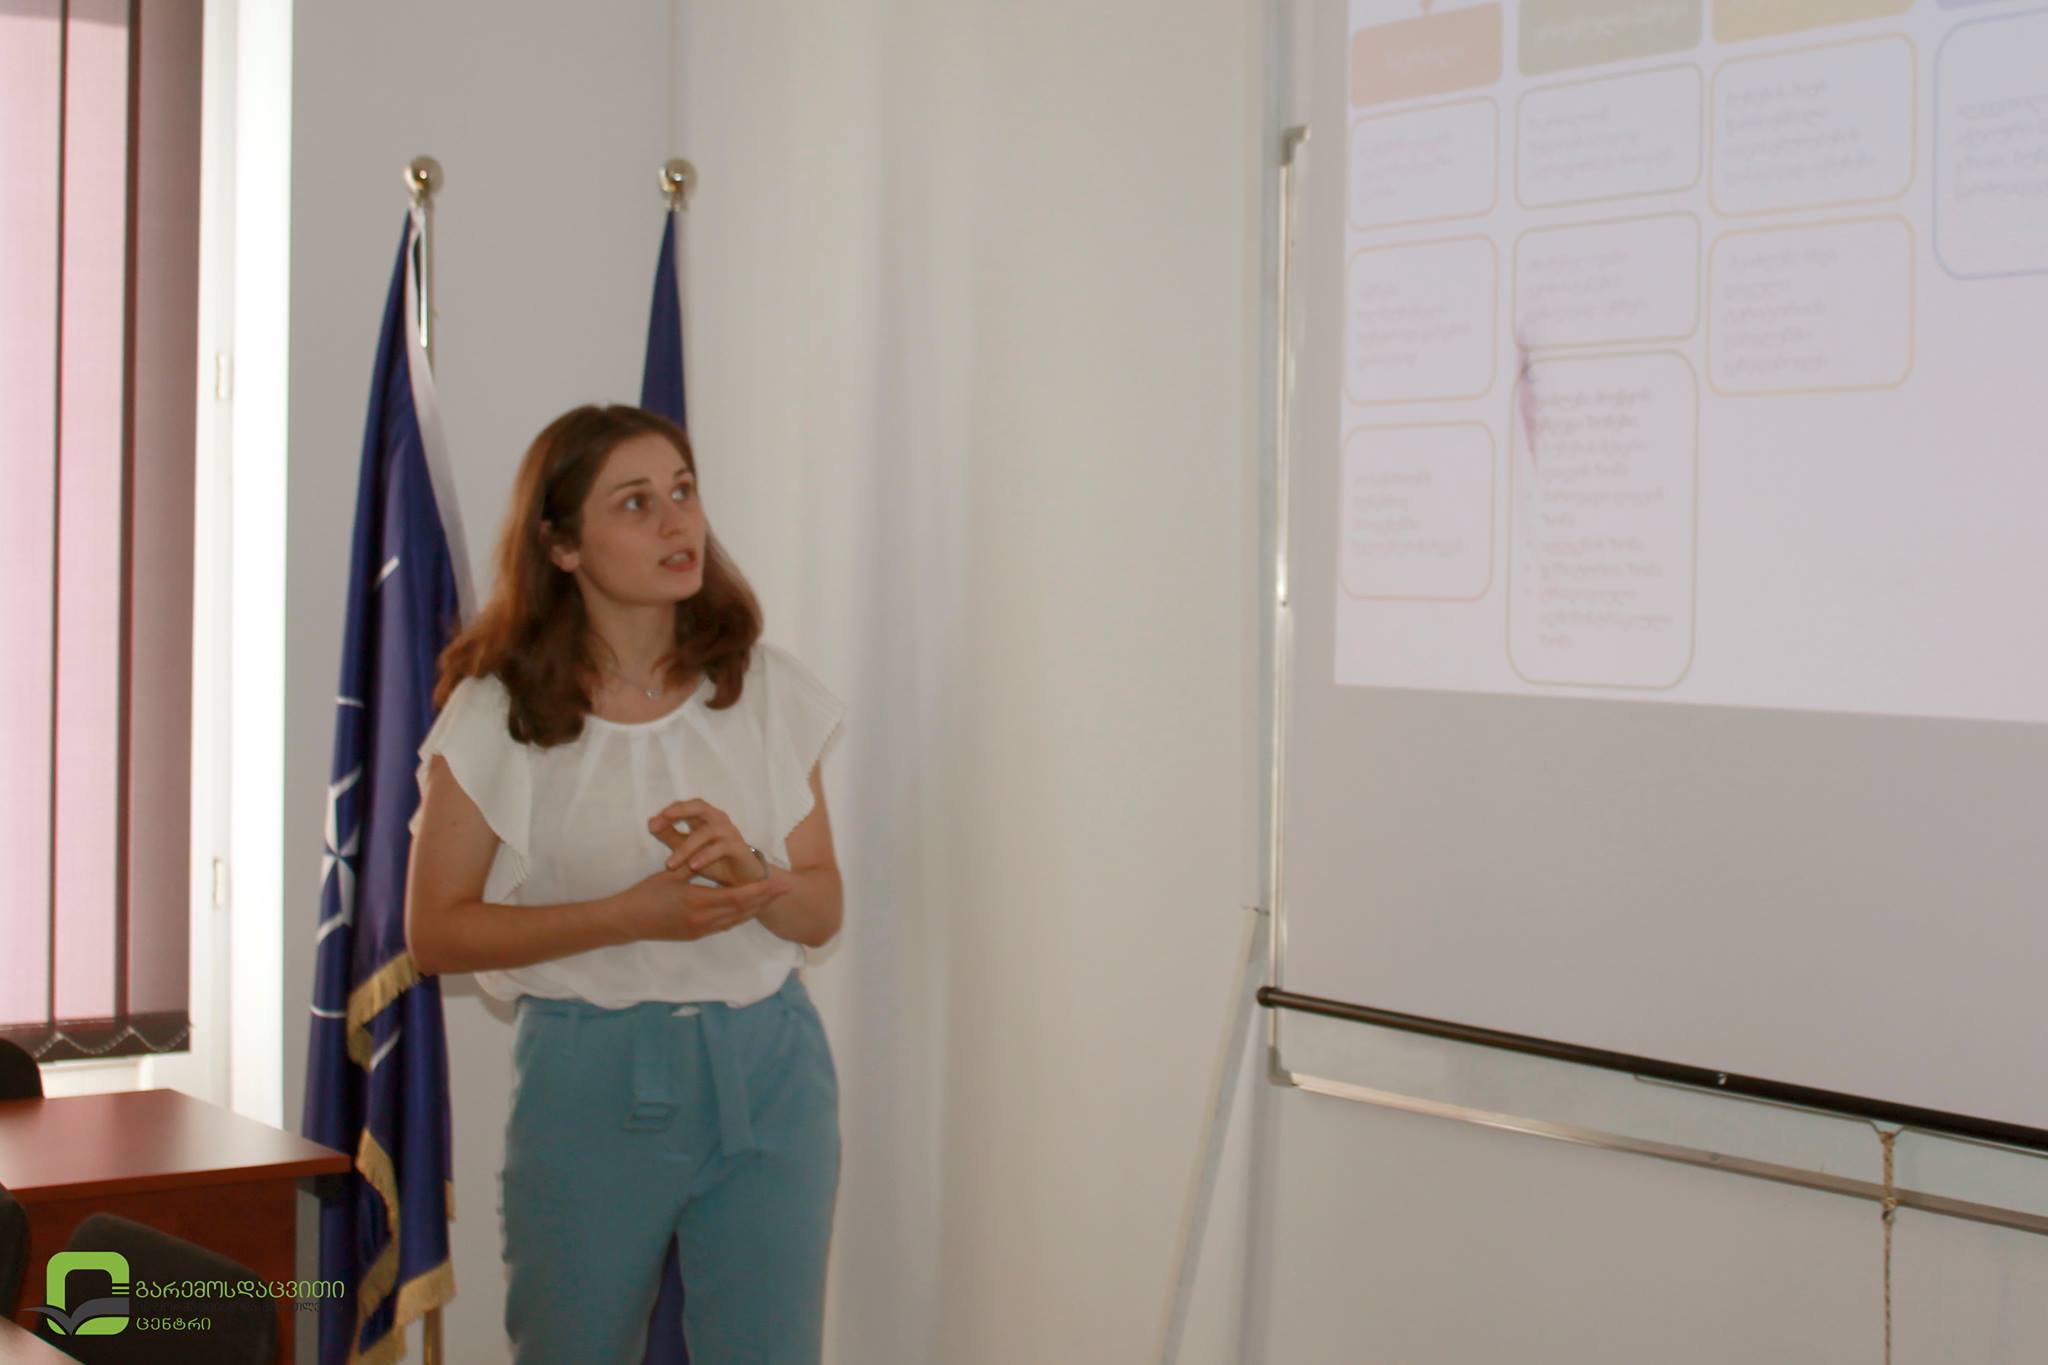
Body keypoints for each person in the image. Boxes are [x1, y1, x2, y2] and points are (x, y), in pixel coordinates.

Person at [403, 404, 844, 1364]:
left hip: (771, 1067)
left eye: (683, 492)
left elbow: (822, 909)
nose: (677, 522)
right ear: (562, 546)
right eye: (636, 503)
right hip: (588, 1074)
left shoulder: (761, 686)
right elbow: (435, 932)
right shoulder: (499, 708)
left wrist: (756, 874)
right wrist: (627, 917)